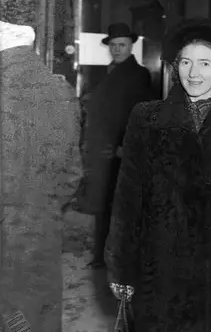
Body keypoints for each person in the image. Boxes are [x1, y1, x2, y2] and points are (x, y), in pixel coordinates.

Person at [104, 18, 211, 331]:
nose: (194, 73)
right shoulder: (146, 117)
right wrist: (121, 268)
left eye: (204, 63)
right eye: (185, 62)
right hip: (159, 268)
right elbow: (128, 200)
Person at [1, 0, 83, 331]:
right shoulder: (61, 91)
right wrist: (42, 211)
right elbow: (72, 175)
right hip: (41, 232)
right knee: (35, 316)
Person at [66, 22, 155, 269]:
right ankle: (103, 256)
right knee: (104, 203)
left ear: (131, 46)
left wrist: (124, 146)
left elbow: (140, 114)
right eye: (114, 45)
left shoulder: (138, 74)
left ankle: (119, 258)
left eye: (122, 45)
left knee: (120, 205)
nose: (117, 49)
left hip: (120, 151)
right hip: (104, 148)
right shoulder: (108, 72)